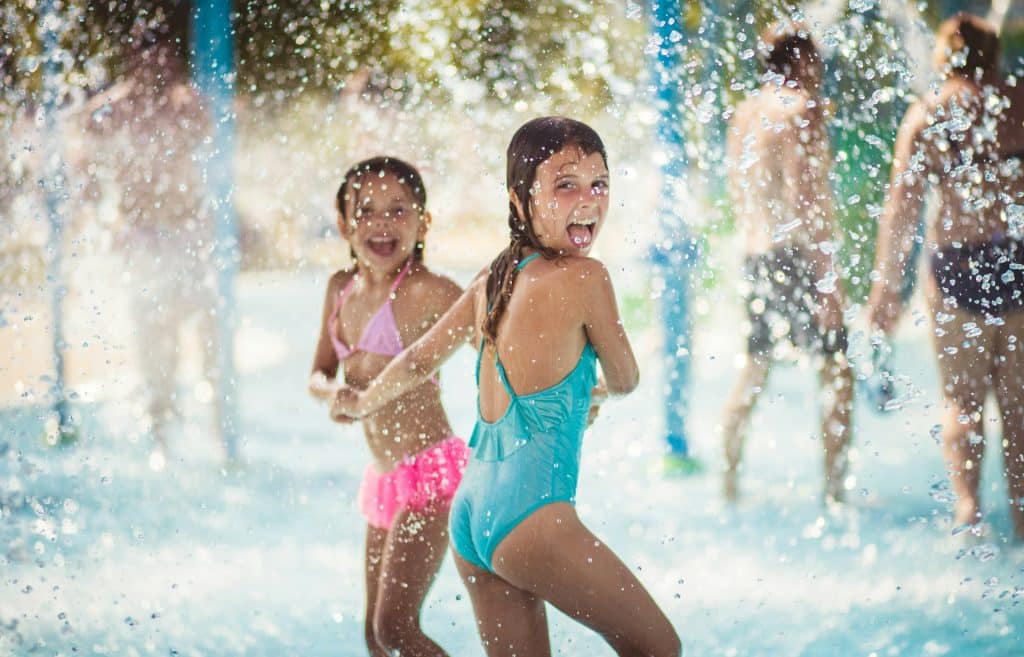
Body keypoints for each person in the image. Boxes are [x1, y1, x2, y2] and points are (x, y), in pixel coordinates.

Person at [330, 117, 681, 657]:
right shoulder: (587, 278)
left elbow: (419, 360)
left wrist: (361, 400)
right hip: (532, 516)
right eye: (565, 184)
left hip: (471, 520)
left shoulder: (495, 276)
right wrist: (597, 392)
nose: (587, 200)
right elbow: (627, 378)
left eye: (599, 183)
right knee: (658, 648)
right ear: (520, 200)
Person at [868, 13, 1024, 539]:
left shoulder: (928, 114)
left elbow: (900, 212)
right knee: (1020, 411)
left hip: (956, 266)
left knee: (962, 404)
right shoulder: (1019, 104)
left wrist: (885, 293)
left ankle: (968, 517)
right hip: (1017, 262)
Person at [308, 156, 467, 656]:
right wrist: (332, 395)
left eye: (398, 210)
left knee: (397, 629)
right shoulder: (340, 289)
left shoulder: (429, 291)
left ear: (424, 222)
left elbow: (497, 339)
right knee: (375, 639)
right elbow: (319, 372)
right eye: (366, 210)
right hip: (385, 480)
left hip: (431, 476)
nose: (381, 223)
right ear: (343, 223)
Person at [77, 21, 224, 466]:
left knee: (201, 322)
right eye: (147, 58)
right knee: (152, 331)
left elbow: (215, 141)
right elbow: (84, 164)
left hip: (186, 230)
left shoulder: (186, 107)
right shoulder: (111, 112)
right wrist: (97, 216)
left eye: (164, 58)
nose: (156, 67)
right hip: (141, 234)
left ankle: (216, 418)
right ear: (132, 61)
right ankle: (160, 425)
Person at [720, 24, 853, 503]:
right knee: (837, 372)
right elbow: (808, 198)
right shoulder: (804, 110)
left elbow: (739, 194)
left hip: (757, 253)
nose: (820, 71)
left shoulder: (746, 113)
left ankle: (729, 483)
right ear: (800, 63)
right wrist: (828, 281)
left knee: (753, 371)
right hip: (799, 254)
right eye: (815, 60)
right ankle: (835, 492)